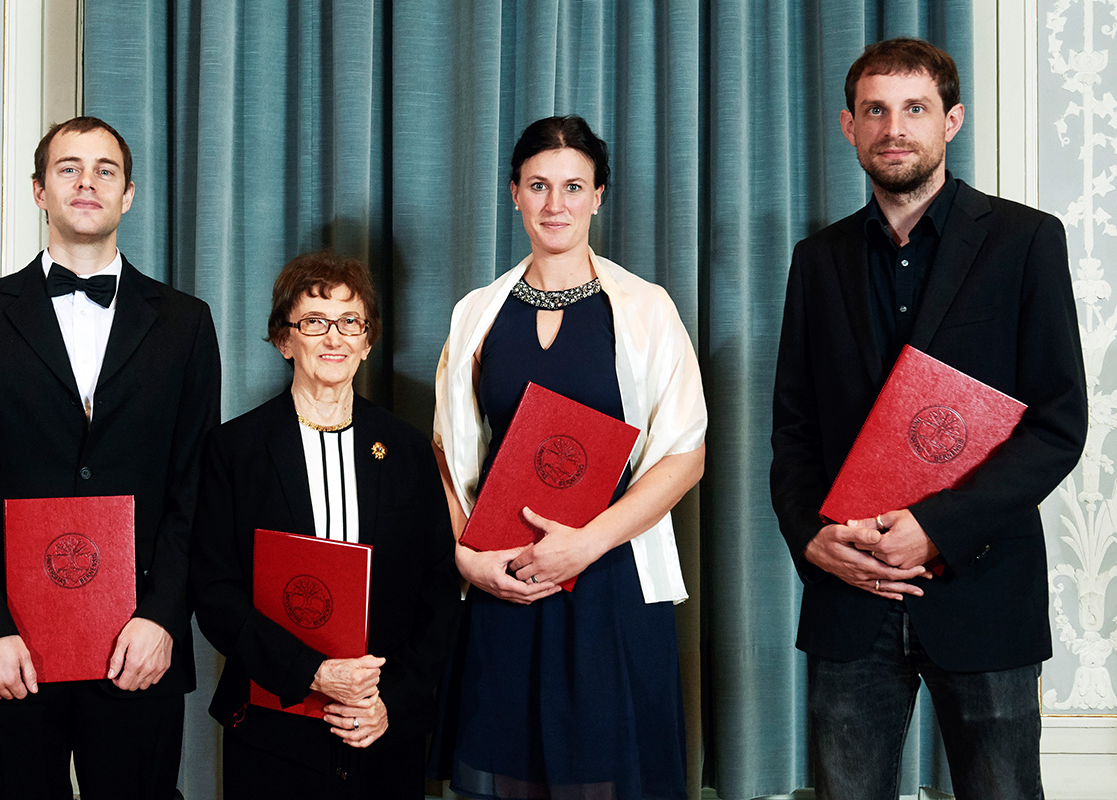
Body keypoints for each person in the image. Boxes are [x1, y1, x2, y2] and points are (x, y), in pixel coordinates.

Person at [770, 38, 1087, 799]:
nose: (895, 128)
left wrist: (935, 525)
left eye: (915, 108)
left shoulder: (1026, 241)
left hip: (985, 592)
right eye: (875, 110)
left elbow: (1057, 426)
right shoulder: (818, 260)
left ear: (954, 120)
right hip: (851, 595)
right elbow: (792, 431)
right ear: (849, 126)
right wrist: (813, 538)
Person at [0, 116, 221, 799]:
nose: (86, 181)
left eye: (105, 170)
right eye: (68, 168)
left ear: (128, 196)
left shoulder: (186, 321)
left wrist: (162, 619)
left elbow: (195, 486)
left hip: (135, 645)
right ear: (38, 190)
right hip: (9, 649)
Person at [432, 115, 707, 799]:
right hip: (505, 578)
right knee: (511, 769)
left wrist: (582, 546)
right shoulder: (477, 312)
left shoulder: (646, 309)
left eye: (573, 186)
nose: (556, 204)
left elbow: (685, 456)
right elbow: (447, 449)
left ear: (598, 197)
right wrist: (468, 557)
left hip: (610, 578)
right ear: (515, 195)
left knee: (608, 773)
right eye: (539, 185)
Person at [190, 250, 461, 799]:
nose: (333, 337)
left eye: (349, 321)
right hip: (274, 725)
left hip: (382, 727)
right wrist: (313, 673)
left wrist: (391, 702)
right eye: (314, 321)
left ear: (367, 341)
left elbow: (438, 591)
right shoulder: (234, 450)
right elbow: (214, 593)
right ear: (285, 340)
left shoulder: (409, 450)